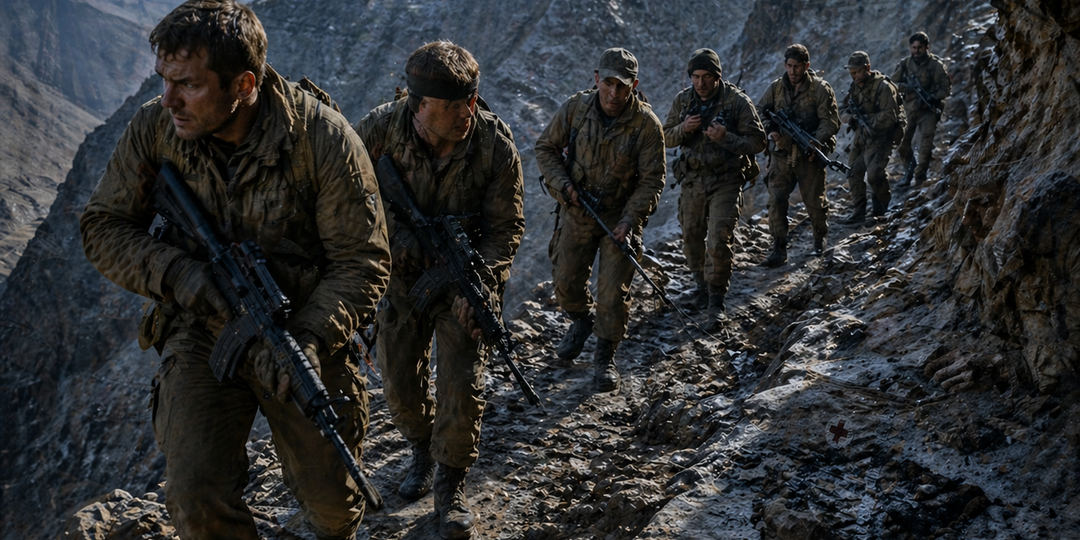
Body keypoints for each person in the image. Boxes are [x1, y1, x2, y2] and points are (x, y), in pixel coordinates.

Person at [79, 1, 391, 539]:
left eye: (189, 85)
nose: (170, 100)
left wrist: (311, 340)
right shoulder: (157, 128)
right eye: (165, 81)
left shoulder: (323, 140)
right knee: (194, 498)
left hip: (300, 331)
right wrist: (181, 274)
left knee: (335, 506)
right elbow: (103, 226)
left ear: (244, 83)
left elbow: (361, 260)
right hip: (202, 328)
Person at [354, 41, 524, 540]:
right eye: (450, 107)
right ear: (417, 104)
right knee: (400, 386)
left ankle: (451, 483)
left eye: (469, 101)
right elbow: (350, 198)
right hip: (401, 282)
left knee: (461, 380)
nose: (464, 114)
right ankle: (421, 448)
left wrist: (484, 282)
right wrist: (400, 241)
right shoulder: (379, 131)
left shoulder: (493, 143)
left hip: (462, 280)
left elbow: (506, 225)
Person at [535, 48, 666, 391]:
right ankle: (581, 320)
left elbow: (653, 180)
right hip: (577, 211)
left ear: (633, 86)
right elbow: (545, 148)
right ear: (596, 79)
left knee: (611, 295)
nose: (614, 93)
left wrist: (630, 220)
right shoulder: (576, 109)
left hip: (617, 219)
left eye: (622, 86)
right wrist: (563, 185)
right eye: (607, 83)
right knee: (565, 283)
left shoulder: (647, 126)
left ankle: (604, 356)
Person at [662, 48, 765, 322]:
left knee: (719, 240)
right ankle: (701, 284)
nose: (700, 83)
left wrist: (726, 138)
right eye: (695, 76)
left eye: (707, 76)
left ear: (717, 76)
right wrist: (683, 129)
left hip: (726, 180)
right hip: (693, 180)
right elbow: (664, 136)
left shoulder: (737, 102)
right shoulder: (682, 101)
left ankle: (716, 300)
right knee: (691, 237)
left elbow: (758, 141)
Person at [757, 44, 840, 266]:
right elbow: (759, 111)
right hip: (782, 153)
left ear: (807, 66)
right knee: (776, 199)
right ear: (785, 65)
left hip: (809, 155)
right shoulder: (776, 89)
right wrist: (771, 129)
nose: (793, 71)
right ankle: (778, 248)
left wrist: (815, 140)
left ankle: (819, 237)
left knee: (814, 201)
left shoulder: (820, 89)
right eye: (789, 66)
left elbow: (831, 122)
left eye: (798, 66)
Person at [840, 51, 903, 223]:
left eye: (858, 72)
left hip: (882, 137)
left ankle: (882, 209)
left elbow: (890, 116)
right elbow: (843, 108)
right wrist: (847, 117)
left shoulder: (883, 87)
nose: (855, 76)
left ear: (867, 68)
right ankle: (859, 212)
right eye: (852, 73)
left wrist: (868, 121)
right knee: (853, 172)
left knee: (874, 174)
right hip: (862, 136)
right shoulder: (855, 87)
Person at [892, 31, 952, 187]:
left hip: (928, 110)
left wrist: (932, 97)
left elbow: (945, 89)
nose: (916, 51)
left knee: (925, 145)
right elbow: (892, 85)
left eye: (919, 48)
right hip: (909, 109)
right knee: (903, 144)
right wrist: (907, 88)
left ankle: (920, 178)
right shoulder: (905, 64)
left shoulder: (936, 66)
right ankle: (909, 172)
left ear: (927, 47)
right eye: (913, 47)